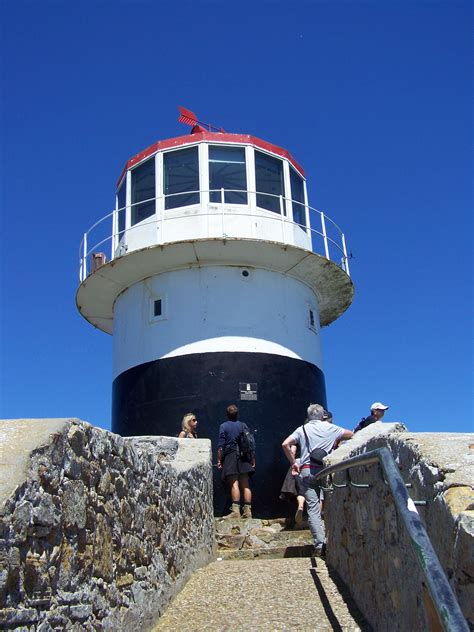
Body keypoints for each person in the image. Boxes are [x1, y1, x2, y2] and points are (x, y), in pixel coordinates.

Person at [282, 404, 353, 555]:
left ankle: (320, 545)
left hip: (307, 470)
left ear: (309, 416)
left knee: (313, 509)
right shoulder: (331, 428)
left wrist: (294, 463)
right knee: (331, 503)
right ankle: (337, 540)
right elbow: (351, 435)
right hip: (327, 470)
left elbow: (285, 444)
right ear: (322, 416)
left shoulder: (302, 429)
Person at [217, 404, 255, 519]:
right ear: (237, 414)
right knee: (245, 484)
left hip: (230, 456)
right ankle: (248, 512)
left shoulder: (223, 426)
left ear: (227, 415)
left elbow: (220, 447)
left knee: (234, 484)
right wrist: (252, 459)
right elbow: (250, 443)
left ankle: (236, 512)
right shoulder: (243, 425)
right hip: (244, 457)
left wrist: (219, 460)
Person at [279, 444, 306, 527]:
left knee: (299, 490)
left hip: (297, 464)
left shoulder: (297, 438)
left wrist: (292, 462)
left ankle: (301, 505)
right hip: (311, 465)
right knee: (311, 490)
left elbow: (292, 452)